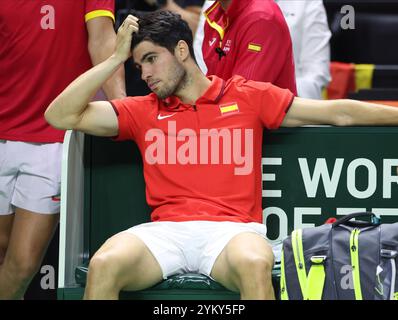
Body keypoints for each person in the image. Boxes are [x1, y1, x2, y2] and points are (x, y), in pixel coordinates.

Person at [45, 11, 398, 300]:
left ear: (182, 50)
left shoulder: (246, 96)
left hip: (232, 233)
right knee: (105, 262)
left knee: (254, 261)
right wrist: (114, 58)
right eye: (139, 66)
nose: (146, 74)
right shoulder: (142, 110)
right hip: (166, 232)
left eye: (151, 59)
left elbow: (339, 113)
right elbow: (60, 115)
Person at [0, 1, 125, 299]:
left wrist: (124, 110)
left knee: (22, 264)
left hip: (54, 138)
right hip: (2, 130)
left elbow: (102, 40)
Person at [201, 0, 297, 95]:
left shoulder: (261, 18)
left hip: (256, 109)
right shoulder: (216, 16)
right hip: (225, 108)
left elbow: (244, 98)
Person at [275, 0, 331, 99]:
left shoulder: (307, 2)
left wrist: (277, 98)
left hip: (293, 103)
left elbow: (317, 73)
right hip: (242, 101)